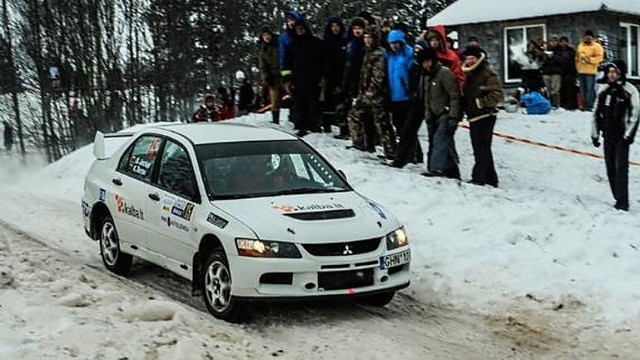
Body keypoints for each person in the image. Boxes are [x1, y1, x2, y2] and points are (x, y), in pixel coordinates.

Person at [591, 60, 639, 211]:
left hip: (622, 137)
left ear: (620, 73)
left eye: (615, 72)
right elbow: (596, 113)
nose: (611, 75)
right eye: (609, 72)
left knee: (621, 169)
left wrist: (628, 136)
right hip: (608, 135)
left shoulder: (630, 90)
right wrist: (595, 134)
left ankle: (623, 202)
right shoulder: (603, 91)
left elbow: (635, 113)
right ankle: (617, 197)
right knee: (610, 169)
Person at [346, 27, 396, 158]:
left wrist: (369, 93)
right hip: (366, 94)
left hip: (377, 96)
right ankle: (361, 143)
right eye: (365, 37)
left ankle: (390, 151)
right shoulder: (367, 53)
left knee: (382, 124)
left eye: (370, 38)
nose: (367, 40)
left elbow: (378, 77)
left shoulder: (380, 54)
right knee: (357, 116)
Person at [461, 46, 504, 187]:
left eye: (472, 58)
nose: (469, 61)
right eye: (467, 58)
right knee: (481, 148)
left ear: (478, 58)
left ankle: (478, 177)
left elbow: (497, 94)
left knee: (481, 148)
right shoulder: (470, 75)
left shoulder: (487, 74)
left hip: (486, 116)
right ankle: (491, 178)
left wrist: (482, 103)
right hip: (474, 117)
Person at [420, 47, 462, 179]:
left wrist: (454, 116)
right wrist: (427, 114)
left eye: (428, 61)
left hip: (446, 114)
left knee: (440, 141)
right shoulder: (427, 77)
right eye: (423, 62)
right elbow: (427, 98)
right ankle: (452, 171)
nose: (426, 65)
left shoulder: (445, 73)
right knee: (444, 144)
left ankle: (436, 168)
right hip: (433, 115)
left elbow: (455, 95)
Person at [282, 19, 323, 136]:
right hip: (297, 80)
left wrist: (322, 77)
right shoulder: (291, 46)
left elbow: (322, 61)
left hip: (313, 80)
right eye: (297, 29)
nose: (300, 31)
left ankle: (315, 124)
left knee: (313, 104)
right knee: (299, 105)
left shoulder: (315, 43)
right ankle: (300, 125)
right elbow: (286, 64)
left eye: (302, 28)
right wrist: (287, 79)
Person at [321, 16, 348, 133]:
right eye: (332, 26)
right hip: (327, 76)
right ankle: (326, 126)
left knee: (342, 103)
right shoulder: (325, 42)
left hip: (342, 76)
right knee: (327, 102)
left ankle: (343, 128)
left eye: (337, 26)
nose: (335, 28)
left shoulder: (345, 41)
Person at [258, 26, 282, 124]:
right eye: (264, 35)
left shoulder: (279, 44)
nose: (267, 37)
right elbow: (263, 66)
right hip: (273, 76)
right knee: (275, 100)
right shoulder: (263, 50)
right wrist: (266, 77)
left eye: (268, 34)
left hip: (284, 73)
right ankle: (275, 120)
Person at [576, 30, 604, 111]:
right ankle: (584, 105)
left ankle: (589, 105)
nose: (587, 38)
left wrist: (589, 59)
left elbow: (599, 57)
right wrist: (577, 66)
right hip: (581, 71)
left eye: (589, 37)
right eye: (586, 37)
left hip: (590, 71)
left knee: (589, 89)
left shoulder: (597, 46)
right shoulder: (580, 45)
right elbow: (577, 57)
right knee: (582, 90)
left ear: (592, 37)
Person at [541, 35, 563, 108]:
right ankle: (548, 104)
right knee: (548, 90)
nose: (553, 43)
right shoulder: (546, 49)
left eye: (555, 41)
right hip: (546, 72)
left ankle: (556, 104)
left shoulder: (560, 50)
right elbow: (542, 62)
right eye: (551, 41)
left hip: (556, 72)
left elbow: (563, 61)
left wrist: (553, 56)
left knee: (555, 89)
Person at [558, 36, 578, 110]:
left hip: (570, 72)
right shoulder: (558, 50)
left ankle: (571, 105)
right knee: (562, 89)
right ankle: (563, 104)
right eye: (562, 41)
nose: (563, 43)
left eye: (565, 41)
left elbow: (575, 61)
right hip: (561, 72)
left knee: (570, 89)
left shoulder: (571, 50)